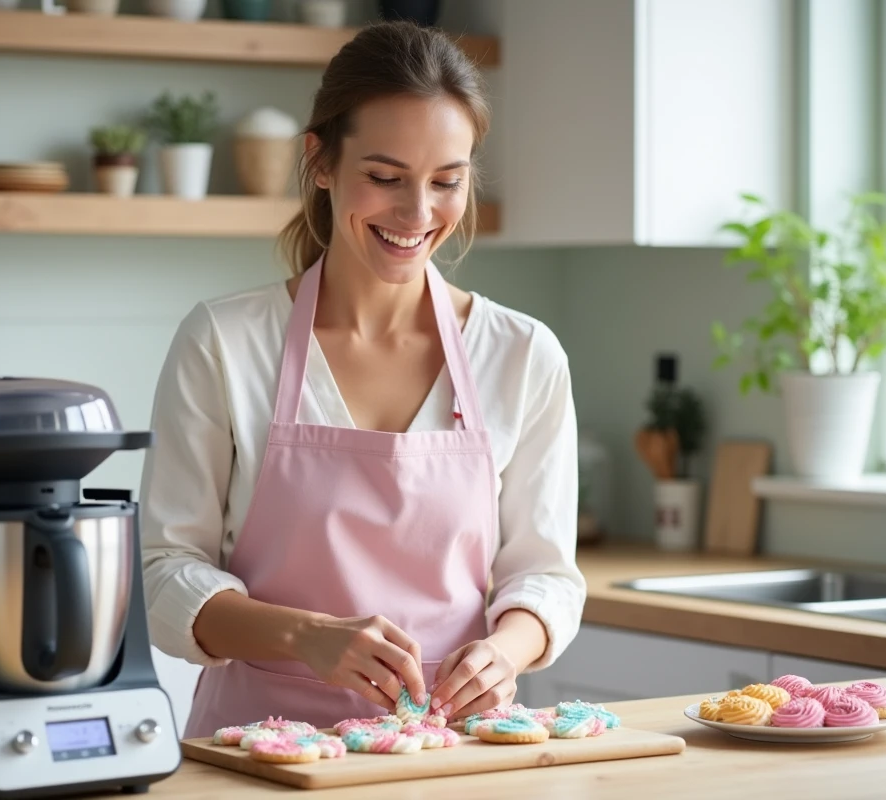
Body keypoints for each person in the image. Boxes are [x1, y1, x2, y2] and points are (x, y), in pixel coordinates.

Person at [138, 20, 586, 740]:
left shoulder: (524, 354)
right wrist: (305, 636)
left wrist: (506, 653)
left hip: (454, 757)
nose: (417, 214)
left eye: (448, 181)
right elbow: (164, 571)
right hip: (259, 757)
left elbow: (548, 576)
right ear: (320, 161)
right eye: (384, 178)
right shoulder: (225, 341)